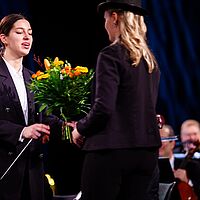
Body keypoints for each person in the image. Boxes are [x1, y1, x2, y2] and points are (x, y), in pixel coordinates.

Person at [70, 0, 161, 199]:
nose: (104, 26)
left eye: (105, 19)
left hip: (111, 151)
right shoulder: (150, 61)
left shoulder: (110, 54)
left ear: (114, 17)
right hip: (146, 154)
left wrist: (80, 128)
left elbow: (103, 108)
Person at [0, 13, 62, 200]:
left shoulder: (33, 78)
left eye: (30, 33)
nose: (27, 37)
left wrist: (71, 129)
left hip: (32, 170)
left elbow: (45, 117)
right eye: (20, 32)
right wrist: (22, 131)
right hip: (5, 169)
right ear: (3, 38)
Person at [173, 119, 200, 199]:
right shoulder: (174, 154)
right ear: (181, 136)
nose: (191, 138)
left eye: (195, 134)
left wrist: (188, 182)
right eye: (187, 135)